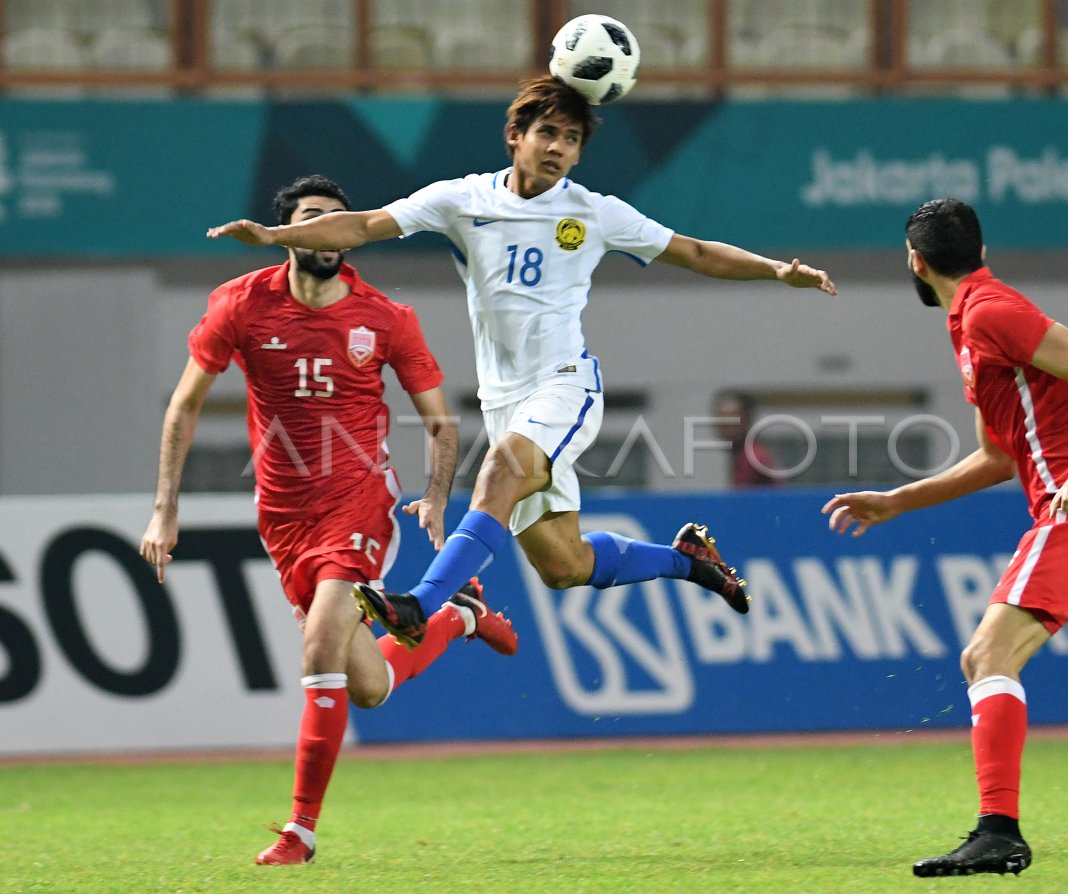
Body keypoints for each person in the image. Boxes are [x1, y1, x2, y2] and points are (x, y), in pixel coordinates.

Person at [207, 76, 837, 648]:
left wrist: (776, 270)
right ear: (516, 136)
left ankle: (419, 604)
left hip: (565, 386)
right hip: (503, 398)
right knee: (563, 565)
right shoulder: (461, 200)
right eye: (547, 133)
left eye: (570, 138)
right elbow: (363, 226)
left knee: (498, 476)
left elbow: (695, 252)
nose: (558, 147)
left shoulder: (594, 212)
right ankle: (689, 560)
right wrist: (274, 239)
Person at [141, 175, 518, 866]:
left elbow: (440, 420)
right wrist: (166, 506)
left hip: (360, 504)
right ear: (289, 233)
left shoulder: (386, 317)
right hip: (284, 517)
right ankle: (459, 615)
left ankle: (300, 832)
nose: (327, 232)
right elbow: (186, 404)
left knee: (318, 652)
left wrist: (435, 494)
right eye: (312, 219)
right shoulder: (241, 305)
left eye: (339, 222)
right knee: (367, 687)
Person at [823, 198, 1068, 878]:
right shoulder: (969, 326)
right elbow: (999, 456)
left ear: (916, 261)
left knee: (986, 653)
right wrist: (897, 500)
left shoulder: (992, 310)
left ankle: (999, 830)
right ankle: (998, 832)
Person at [712, 389, 784, 487]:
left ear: (747, 420)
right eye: (720, 419)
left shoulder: (753, 457)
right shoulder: (741, 454)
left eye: (731, 419)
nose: (724, 426)